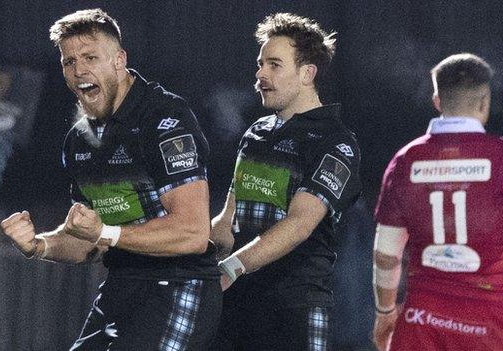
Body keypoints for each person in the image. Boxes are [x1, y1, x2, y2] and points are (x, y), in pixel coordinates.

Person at [0, 9, 221, 350]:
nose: (79, 71)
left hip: (180, 286)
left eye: (90, 57)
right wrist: (38, 245)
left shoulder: (164, 119)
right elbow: (88, 242)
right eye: (68, 61)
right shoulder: (79, 139)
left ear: (119, 60)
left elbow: (193, 232)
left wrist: (105, 232)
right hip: (121, 285)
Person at [210, 13, 362, 351]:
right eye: (260, 64)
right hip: (235, 308)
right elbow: (226, 223)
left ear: (307, 73)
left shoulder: (336, 142)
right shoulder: (256, 133)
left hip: (293, 311)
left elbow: (299, 224)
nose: (260, 75)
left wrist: (232, 267)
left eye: (274, 65)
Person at [373, 54, 502, 350]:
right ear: (485, 102)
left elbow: (386, 254)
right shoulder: (500, 159)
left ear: (436, 100)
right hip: (490, 321)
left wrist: (385, 312)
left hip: (423, 320)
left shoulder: (406, 159)